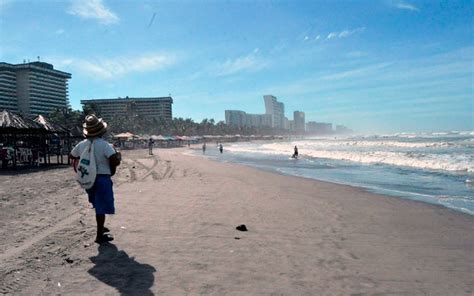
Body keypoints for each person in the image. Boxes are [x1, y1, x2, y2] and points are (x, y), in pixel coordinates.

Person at [70, 115, 121, 244]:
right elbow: (114, 161)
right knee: (101, 207)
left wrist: (86, 157)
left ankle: (101, 227)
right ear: (101, 130)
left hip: (88, 179)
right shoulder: (104, 145)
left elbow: (72, 155)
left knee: (97, 204)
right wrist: (116, 157)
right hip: (102, 178)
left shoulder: (82, 144)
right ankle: (99, 236)